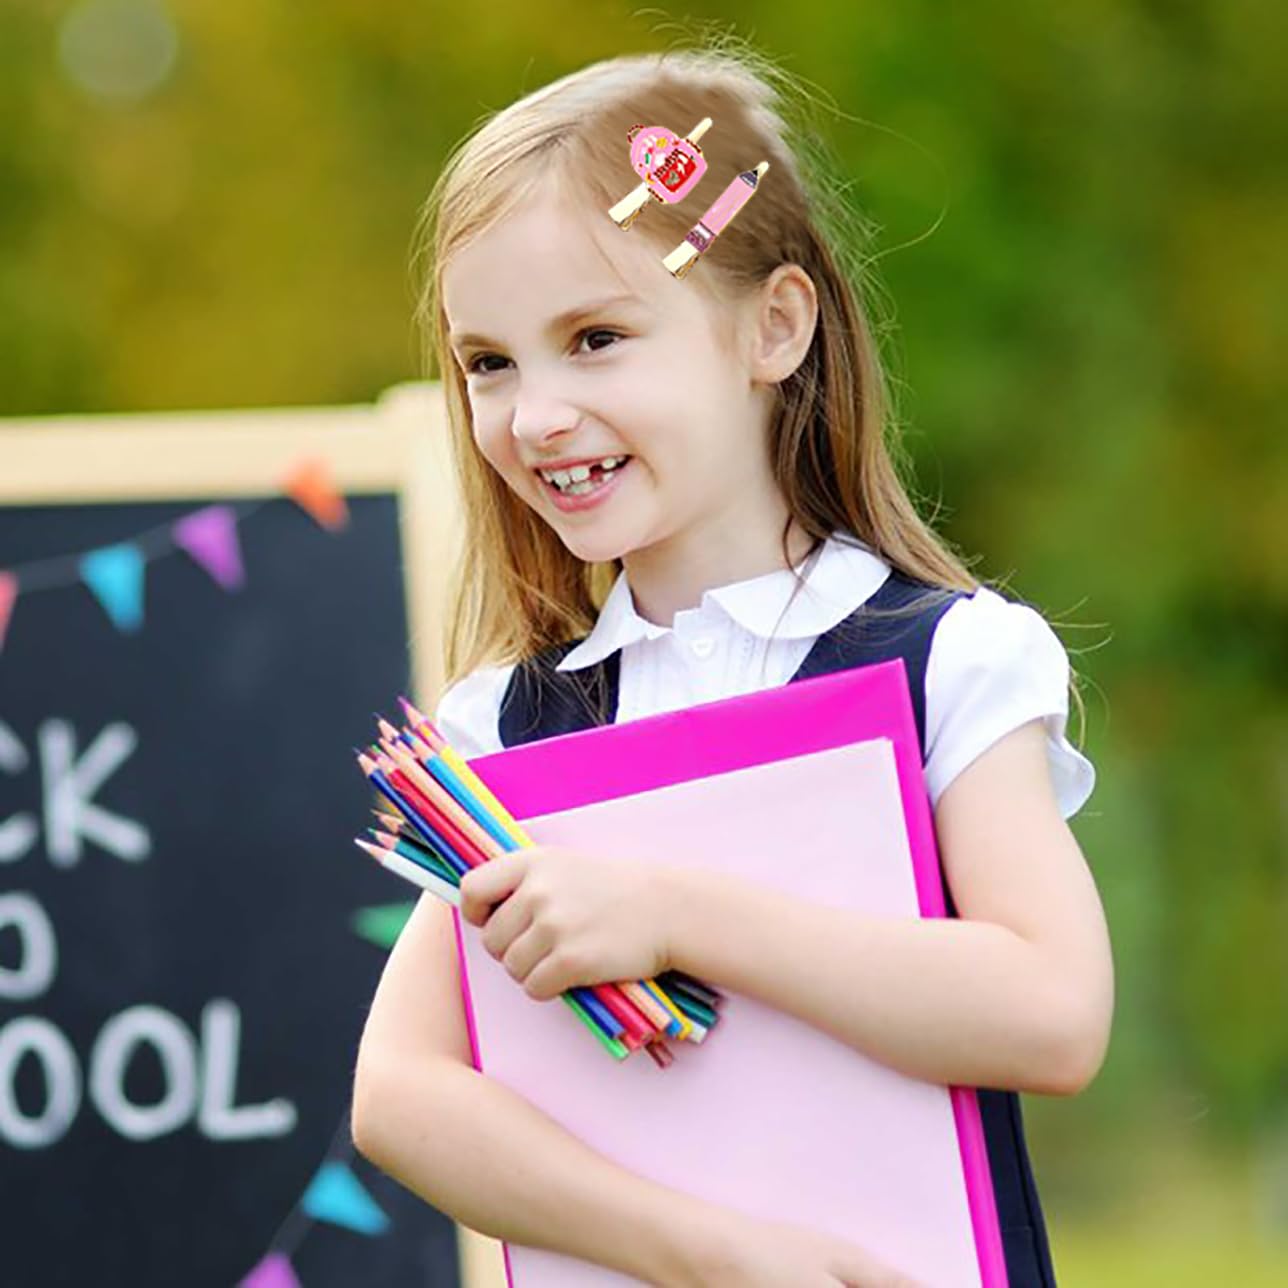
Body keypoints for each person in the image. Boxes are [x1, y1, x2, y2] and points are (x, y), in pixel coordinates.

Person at [352, 42, 1114, 1288]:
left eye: (594, 337)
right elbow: (400, 1093)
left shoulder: (946, 658)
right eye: (488, 361)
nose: (533, 413)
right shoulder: (506, 731)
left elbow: (1052, 1010)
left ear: (773, 328)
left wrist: (669, 911)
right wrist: (715, 1256)